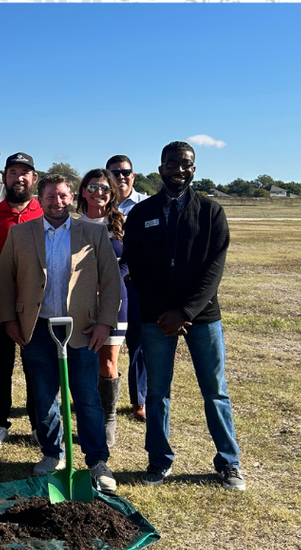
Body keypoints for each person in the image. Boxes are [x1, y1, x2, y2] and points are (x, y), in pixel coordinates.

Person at [122, 141, 244, 491]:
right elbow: (138, 268)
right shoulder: (142, 214)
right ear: (160, 169)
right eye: (172, 163)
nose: (179, 169)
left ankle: (229, 463)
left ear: (194, 168)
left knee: (215, 391)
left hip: (202, 317)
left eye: (186, 164)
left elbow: (214, 268)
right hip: (157, 318)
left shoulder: (211, 211)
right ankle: (159, 460)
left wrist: (186, 311)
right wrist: (164, 312)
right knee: (157, 392)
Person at [0, 172, 121, 492]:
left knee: (87, 397)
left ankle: (97, 461)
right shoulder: (20, 234)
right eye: (51, 196)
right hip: (36, 328)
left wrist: (105, 323)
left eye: (63, 195)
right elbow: (3, 279)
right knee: (44, 395)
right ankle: (53, 454)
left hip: (82, 328)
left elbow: (110, 281)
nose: (58, 202)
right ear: (40, 198)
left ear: (72, 197)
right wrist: (9, 320)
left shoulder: (91, 232)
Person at [0, 152, 43, 449]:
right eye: (13, 172)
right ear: (5, 178)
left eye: (25, 172)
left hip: (36, 309)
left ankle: (40, 425)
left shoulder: (45, 213)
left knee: (37, 369)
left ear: (34, 178)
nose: (19, 178)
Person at [75, 169, 129, 447]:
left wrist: (111, 282)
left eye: (105, 188)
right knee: (84, 363)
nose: (99, 193)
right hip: (80, 304)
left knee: (107, 363)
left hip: (114, 302)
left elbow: (131, 261)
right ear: (83, 191)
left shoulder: (121, 224)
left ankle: (108, 417)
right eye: (93, 187)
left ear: (113, 194)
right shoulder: (72, 225)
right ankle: (87, 417)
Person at [107, 154, 149, 421]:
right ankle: (102, 398)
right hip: (104, 285)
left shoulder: (146, 205)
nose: (121, 177)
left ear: (133, 176)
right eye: (115, 173)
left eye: (125, 172)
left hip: (136, 284)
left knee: (138, 343)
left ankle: (139, 401)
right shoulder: (100, 205)